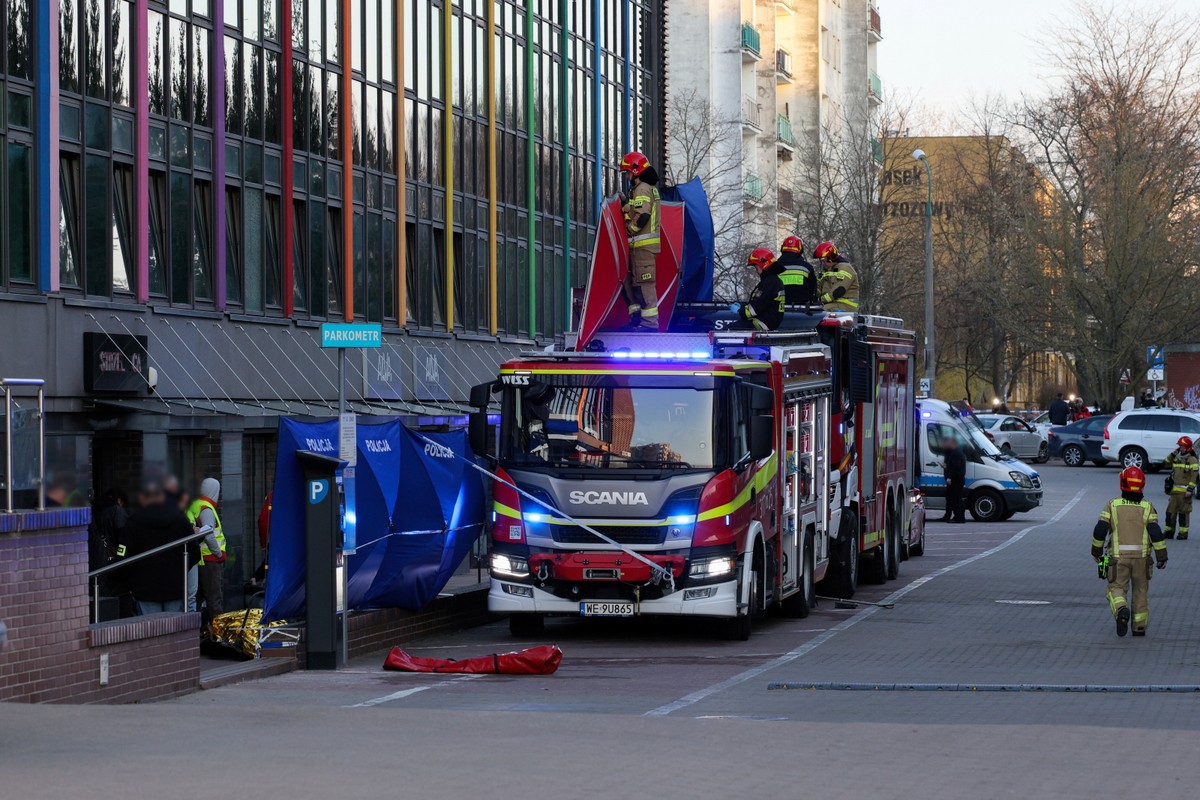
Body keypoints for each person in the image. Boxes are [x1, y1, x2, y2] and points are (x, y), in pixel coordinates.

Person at [1091, 466, 1167, 637]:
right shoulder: (1148, 507)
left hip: (1118, 559)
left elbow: (1100, 529)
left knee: (1116, 588)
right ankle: (1139, 627)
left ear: (1122, 483)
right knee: (1141, 592)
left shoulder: (1112, 505)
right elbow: (1155, 533)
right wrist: (1162, 556)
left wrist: (1096, 551)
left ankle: (1121, 609)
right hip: (1142, 560)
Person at [123, 482, 198, 615]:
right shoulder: (180, 519)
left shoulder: (133, 521)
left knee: (150, 631)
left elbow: (124, 556)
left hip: (145, 588)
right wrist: (179, 568)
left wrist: (134, 579)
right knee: (174, 629)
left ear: (142, 498)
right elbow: (195, 552)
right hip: (174, 586)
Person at [618, 151, 661, 330]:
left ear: (635, 171)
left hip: (643, 247)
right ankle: (637, 321)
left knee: (645, 286)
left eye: (627, 172)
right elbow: (637, 211)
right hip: (639, 248)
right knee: (635, 285)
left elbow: (643, 215)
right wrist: (626, 204)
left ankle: (650, 324)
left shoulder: (642, 188)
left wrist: (629, 230)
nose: (626, 176)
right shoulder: (640, 189)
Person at [188, 478, 227, 624]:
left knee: (196, 599)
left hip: (197, 559)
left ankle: (196, 633)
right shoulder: (206, 509)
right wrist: (218, 553)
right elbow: (209, 534)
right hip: (209, 560)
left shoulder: (195, 505)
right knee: (214, 599)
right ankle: (218, 635)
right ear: (214, 491)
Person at [728, 248, 786, 331]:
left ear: (763, 264)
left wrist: (740, 310)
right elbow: (761, 303)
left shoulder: (769, 282)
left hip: (763, 323)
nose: (756, 270)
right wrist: (742, 306)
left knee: (728, 330)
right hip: (766, 322)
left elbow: (755, 309)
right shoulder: (773, 280)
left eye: (756, 266)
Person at [1163, 436, 1198, 540]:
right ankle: (1169, 532)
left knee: (1183, 514)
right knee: (1170, 513)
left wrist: (1190, 489)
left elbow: (1194, 476)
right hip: (1174, 492)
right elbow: (1165, 464)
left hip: (1185, 492)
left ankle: (1183, 533)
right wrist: (1172, 454)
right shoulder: (1177, 458)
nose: (1181, 448)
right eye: (1180, 446)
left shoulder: (1192, 460)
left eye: (1182, 446)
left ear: (1188, 447)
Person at [813, 242, 859, 312]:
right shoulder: (826, 270)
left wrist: (820, 300)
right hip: (831, 303)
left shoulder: (845, 268)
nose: (822, 263)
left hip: (845, 304)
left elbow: (837, 291)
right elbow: (819, 287)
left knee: (818, 311)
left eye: (824, 260)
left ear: (831, 257)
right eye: (821, 261)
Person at [775, 235, 818, 306]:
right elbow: (813, 290)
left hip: (779, 310)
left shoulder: (774, 267)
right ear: (800, 249)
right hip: (803, 310)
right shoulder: (807, 267)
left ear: (782, 248)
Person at [940, 436, 967, 523]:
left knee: (956, 499)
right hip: (956, 479)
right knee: (952, 498)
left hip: (956, 479)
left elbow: (956, 468)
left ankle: (959, 517)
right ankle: (954, 516)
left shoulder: (956, 453)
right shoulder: (954, 452)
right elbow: (953, 466)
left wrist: (950, 477)